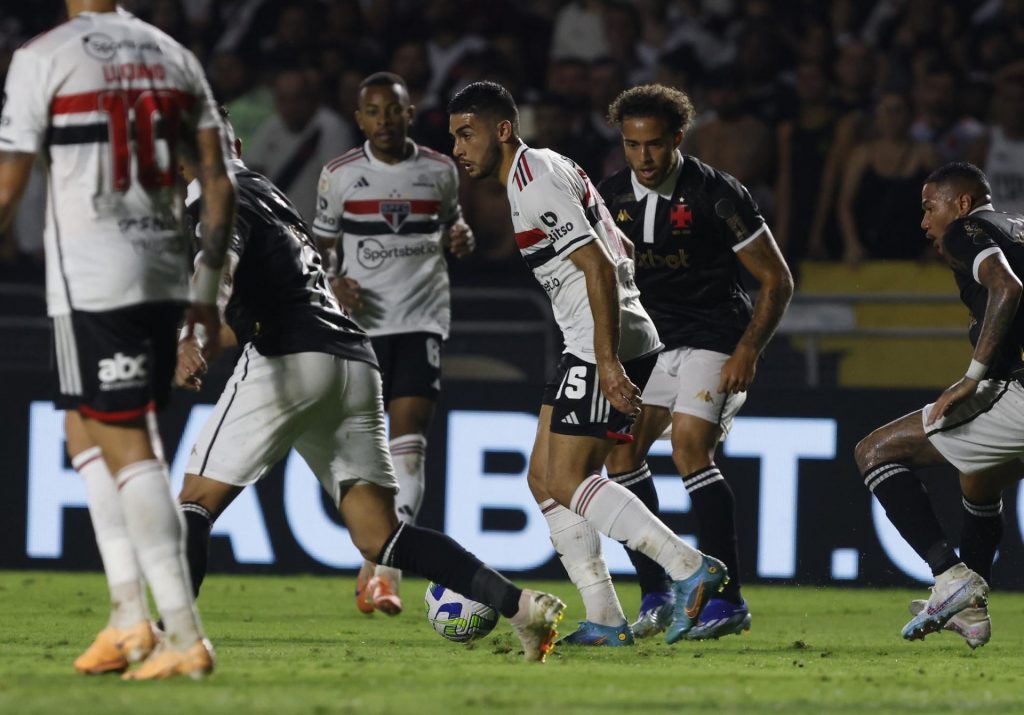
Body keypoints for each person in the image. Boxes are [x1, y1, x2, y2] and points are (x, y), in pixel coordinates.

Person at [174, 114, 566, 664]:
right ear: (237, 144)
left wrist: (194, 332)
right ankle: (522, 608)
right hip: (353, 362)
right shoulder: (270, 194)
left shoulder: (213, 199)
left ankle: (177, 644)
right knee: (382, 537)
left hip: (289, 360)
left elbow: (219, 262)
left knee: (193, 504)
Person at [0, 0, 235, 680]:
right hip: (162, 268)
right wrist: (207, 288)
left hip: (97, 275)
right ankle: (128, 615)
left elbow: (10, 184)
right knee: (84, 429)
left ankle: (184, 635)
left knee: (129, 438)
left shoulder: (42, 57)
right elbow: (219, 182)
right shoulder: (174, 55)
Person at [448, 80, 727, 647]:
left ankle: (688, 568)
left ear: (503, 129)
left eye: (465, 133)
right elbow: (617, 249)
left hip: (605, 341)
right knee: (543, 480)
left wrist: (605, 360)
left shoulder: (534, 180)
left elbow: (599, 266)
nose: (458, 147)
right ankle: (603, 615)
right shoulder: (545, 168)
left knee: (570, 478)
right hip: (599, 335)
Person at [599, 84, 793, 640]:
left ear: (677, 139)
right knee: (621, 457)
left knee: (688, 447)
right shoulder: (610, 198)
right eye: (633, 145)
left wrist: (748, 349)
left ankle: (727, 600)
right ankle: (658, 593)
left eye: (655, 145)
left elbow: (776, 279)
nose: (645, 157)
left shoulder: (717, 194)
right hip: (652, 344)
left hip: (715, 337)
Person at [312, 71, 475, 616]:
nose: (384, 119)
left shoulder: (440, 169)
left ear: (410, 113)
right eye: (373, 111)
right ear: (360, 119)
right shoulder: (338, 176)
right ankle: (376, 556)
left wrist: (462, 236)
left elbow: (455, 226)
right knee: (363, 450)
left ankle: (384, 572)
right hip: (360, 327)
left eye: (394, 110)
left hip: (421, 321)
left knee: (409, 444)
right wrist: (332, 282)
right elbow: (321, 250)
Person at [854, 161, 1024, 648]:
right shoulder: (1016, 227)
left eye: (930, 208)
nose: (925, 222)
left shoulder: (964, 232)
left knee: (874, 452)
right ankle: (969, 611)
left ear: (963, 203)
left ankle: (951, 578)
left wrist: (970, 380)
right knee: (980, 479)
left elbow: (1007, 287)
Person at [246, 68, 354, 222]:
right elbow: (253, 171)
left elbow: (339, 186)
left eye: (297, 99)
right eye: (283, 99)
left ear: (311, 99)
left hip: (317, 231)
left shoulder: (332, 128)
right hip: (278, 229)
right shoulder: (272, 126)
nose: (290, 107)